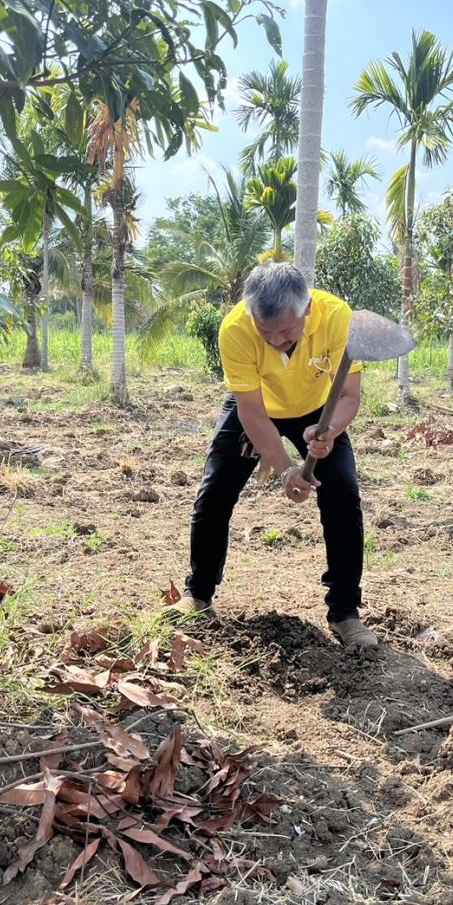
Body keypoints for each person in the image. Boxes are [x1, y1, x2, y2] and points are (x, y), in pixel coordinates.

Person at [171, 262, 378, 649]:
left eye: (285, 330)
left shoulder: (336, 317)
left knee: (343, 496)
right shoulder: (235, 328)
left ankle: (345, 613)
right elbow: (250, 410)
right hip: (259, 405)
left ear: (308, 310)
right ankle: (198, 595)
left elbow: (349, 395)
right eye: (266, 332)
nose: (276, 341)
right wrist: (285, 471)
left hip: (320, 409)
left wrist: (329, 432)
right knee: (215, 492)